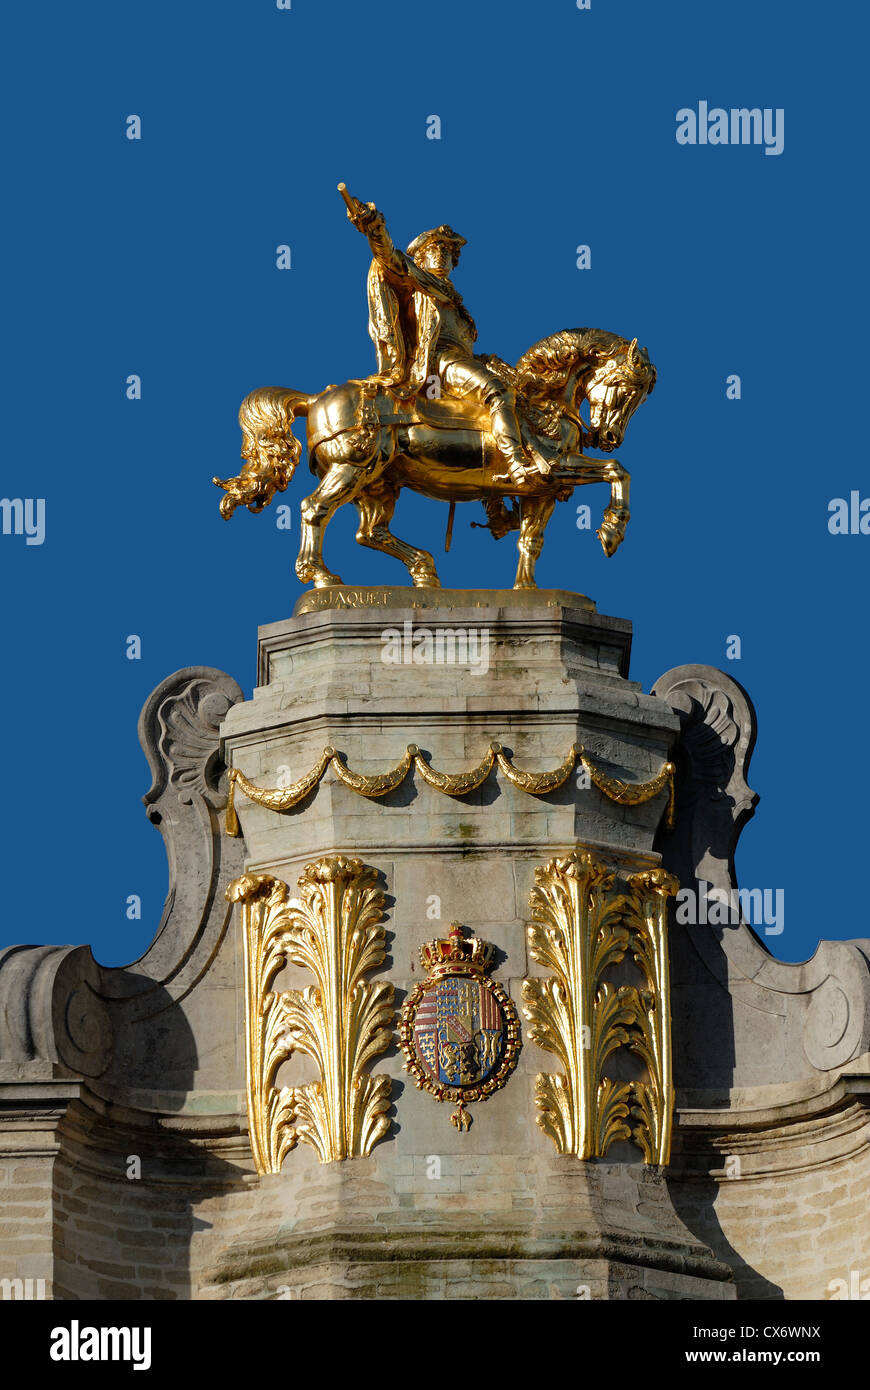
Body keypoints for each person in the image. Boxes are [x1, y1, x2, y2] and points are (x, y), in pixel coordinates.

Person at [344, 193, 549, 486]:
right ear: (420, 258)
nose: (441, 255)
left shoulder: (452, 296)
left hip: (459, 362)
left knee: (514, 404)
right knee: (499, 393)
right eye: (433, 249)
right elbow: (389, 257)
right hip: (439, 364)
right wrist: (376, 229)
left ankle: (495, 503)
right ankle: (516, 463)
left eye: (447, 252)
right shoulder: (420, 283)